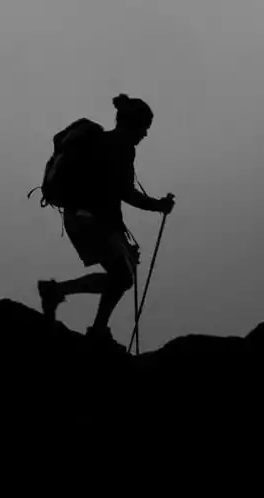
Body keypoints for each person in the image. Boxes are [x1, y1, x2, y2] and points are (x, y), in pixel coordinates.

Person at [37, 94, 176, 344]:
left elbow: (108, 193)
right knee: (122, 277)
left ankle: (63, 297)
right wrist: (158, 205)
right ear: (133, 124)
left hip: (79, 217)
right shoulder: (121, 147)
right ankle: (79, 312)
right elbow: (125, 192)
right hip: (91, 220)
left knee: (121, 277)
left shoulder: (101, 142)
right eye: (144, 128)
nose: (145, 134)